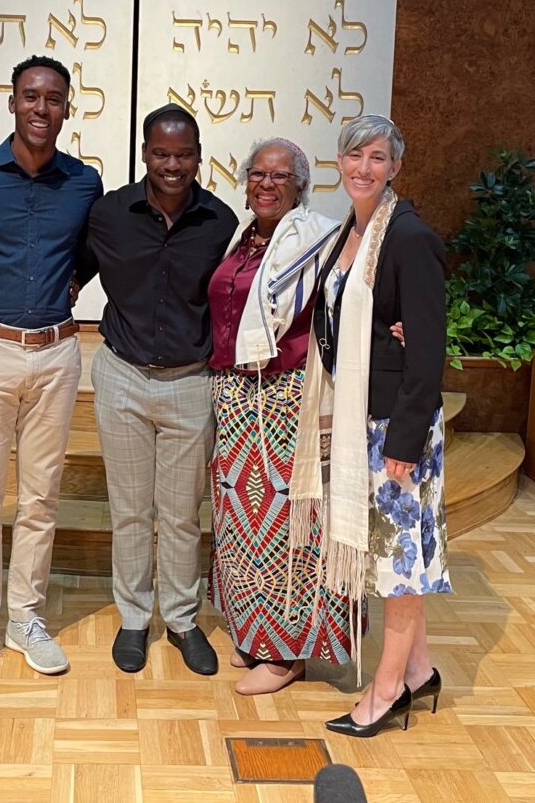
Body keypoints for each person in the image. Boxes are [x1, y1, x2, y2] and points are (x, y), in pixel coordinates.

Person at [289, 114, 451, 736]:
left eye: (377, 158)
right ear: (339, 161)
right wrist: (386, 334)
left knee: (397, 566)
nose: (364, 168)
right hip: (363, 418)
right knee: (394, 556)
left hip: (396, 430)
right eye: (355, 156)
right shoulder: (350, 234)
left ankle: (385, 694)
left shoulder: (407, 236)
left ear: (395, 168)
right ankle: (419, 672)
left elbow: (429, 350)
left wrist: (406, 443)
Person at [0, 55, 102, 680]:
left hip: (58, 353)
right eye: (31, 96)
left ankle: (26, 619)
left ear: (67, 107)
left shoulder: (83, 182)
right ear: (12, 101)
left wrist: (67, 287)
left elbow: (89, 253)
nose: (42, 108)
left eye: (55, 98)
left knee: (40, 496)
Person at [76, 104, 236, 674]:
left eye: (184, 154)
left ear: (198, 156)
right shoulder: (109, 214)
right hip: (121, 375)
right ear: (144, 153)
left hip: (189, 383)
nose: (173, 165)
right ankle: (135, 618)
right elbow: (76, 270)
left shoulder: (220, 221)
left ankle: (183, 618)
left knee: (181, 514)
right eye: (161, 153)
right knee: (129, 509)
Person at [207, 137, 357, 695]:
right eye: (257, 175)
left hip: (288, 401)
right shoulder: (241, 239)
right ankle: (253, 634)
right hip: (237, 399)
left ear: (299, 185)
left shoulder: (318, 238)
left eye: (280, 176)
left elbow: (352, 298)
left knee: (287, 524)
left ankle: (288, 652)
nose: (266, 184)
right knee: (241, 526)